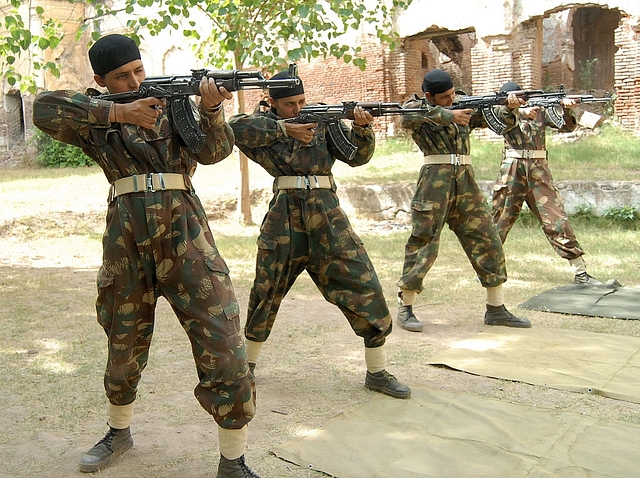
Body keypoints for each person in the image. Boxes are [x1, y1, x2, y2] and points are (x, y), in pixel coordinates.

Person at [32, 34, 260, 478]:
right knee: (123, 341)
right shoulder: (95, 116)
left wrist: (212, 110)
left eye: (139, 70)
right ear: (101, 80)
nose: (136, 80)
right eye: (122, 77)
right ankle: (119, 433)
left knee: (224, 341)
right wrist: (117, 110)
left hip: (186, 235)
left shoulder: (172, 106)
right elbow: (44, 108)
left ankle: (233, 461)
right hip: (125, 238)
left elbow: (214, 152)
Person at [228, 72, 411, 399]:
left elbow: (358, 157)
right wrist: (284, 128)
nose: (298, 108)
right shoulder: (262, 124)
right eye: (289, 105)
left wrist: (362, 128)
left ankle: (377, 371)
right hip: (284, 217)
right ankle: (248, 368)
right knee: (265, 290)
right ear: (272, 103)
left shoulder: (322, 120)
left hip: (327, 215)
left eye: (301, 101)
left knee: (363, 283)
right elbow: (234, 129)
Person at [396, 69, 532, 333]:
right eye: (445, 97)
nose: (451, 100)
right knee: (424, 241)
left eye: (452, 95)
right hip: (435, 181)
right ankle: (406, 306)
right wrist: (448, 115)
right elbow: (407, 116)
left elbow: (497, 121)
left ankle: (496, 308)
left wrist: (510, 107)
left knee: (487, 237)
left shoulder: (463, 103)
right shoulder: (417, 106)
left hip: (466, 182)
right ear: (429, 96)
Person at [491, 81, 601, 285]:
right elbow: (497, 120)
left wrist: (567, 110)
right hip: (512, 169)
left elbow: (566, 126)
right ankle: (487, 269)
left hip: (538, 169)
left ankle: (580, 271)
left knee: (556, 218)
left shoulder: (541, 109)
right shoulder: (501, 111)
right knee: (499, 220)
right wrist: (517, 110)